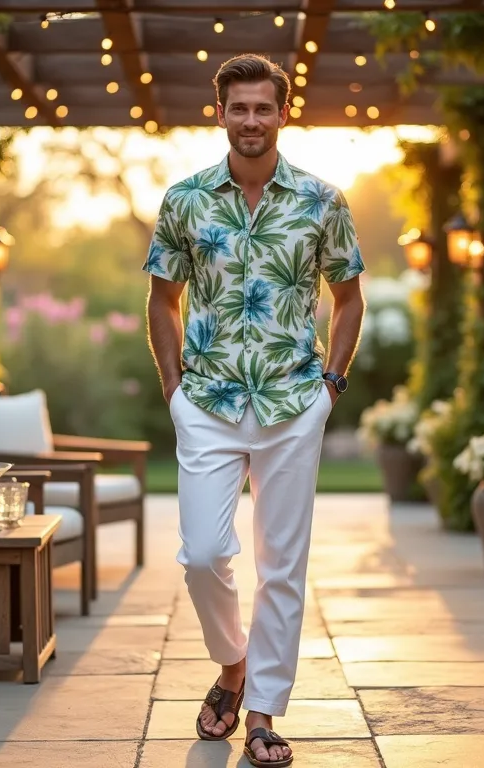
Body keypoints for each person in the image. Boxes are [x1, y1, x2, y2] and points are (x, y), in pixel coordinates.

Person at [142, 53, 366, 767]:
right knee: (204, 555)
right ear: (220, 113)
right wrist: (173, 390)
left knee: (282, 565)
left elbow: (349, 295)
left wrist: (330, 386)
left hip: (294, 399)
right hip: (205, 400)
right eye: (238, 108)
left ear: (282, 112)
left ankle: (264, 710)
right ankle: (233, 664)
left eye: (262, 107)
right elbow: (161, 300)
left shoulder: (322, 201)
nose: (250, 120)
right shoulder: (184, 200)